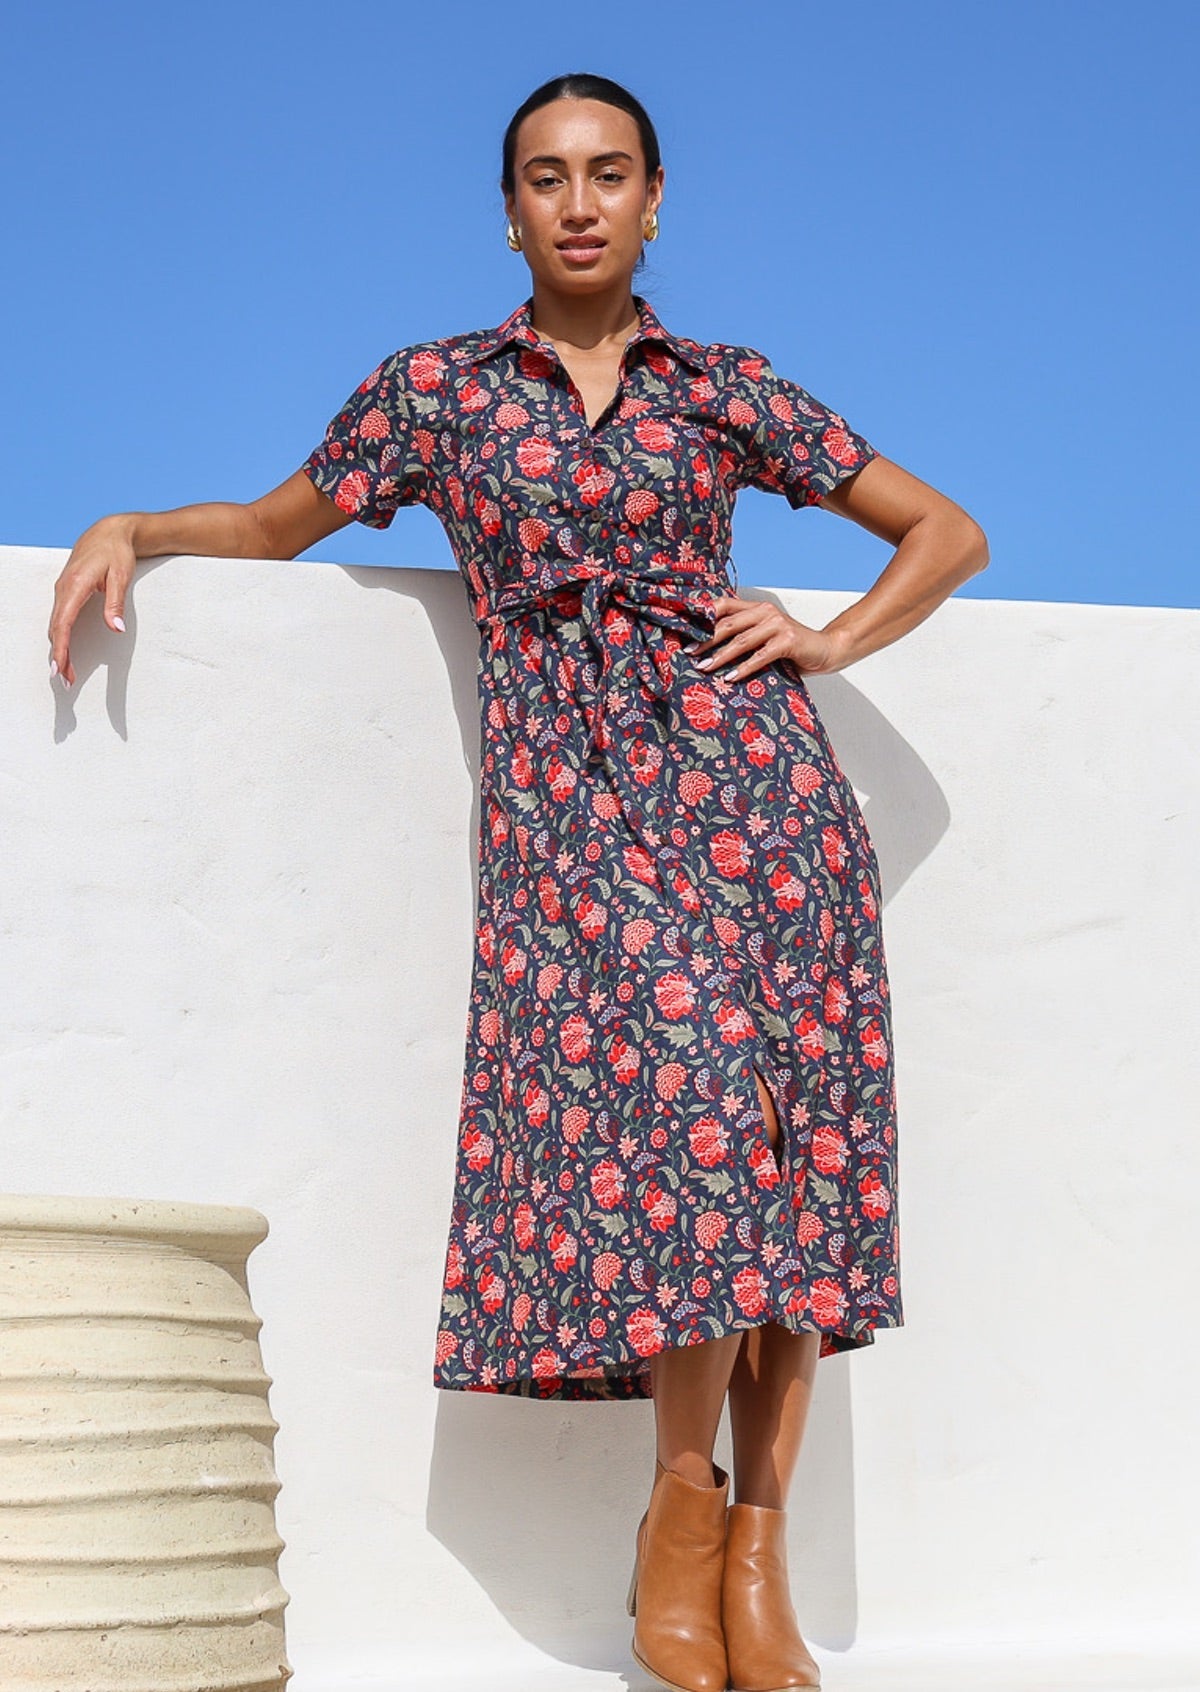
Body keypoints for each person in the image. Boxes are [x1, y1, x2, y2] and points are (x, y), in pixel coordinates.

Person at [47, 69, 988, 1692]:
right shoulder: (435, 392)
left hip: (762, 800)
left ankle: (751, 1555)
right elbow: (281, 526)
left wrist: (828, 638)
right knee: (696, 1144)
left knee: (787, 1167)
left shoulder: (725, 387)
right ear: (508, 208)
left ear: (653, 198)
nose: (578, 202)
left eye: (609, 173)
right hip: (578, 824)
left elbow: (946, 533)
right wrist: (137, 520)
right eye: (546, 176)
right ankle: (675, 1528)